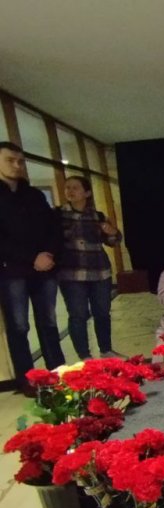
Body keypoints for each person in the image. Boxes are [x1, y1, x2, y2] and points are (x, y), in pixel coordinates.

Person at [0, 141, 65, 389]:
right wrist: (31, 258)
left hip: (45, 269)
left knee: (49, 322)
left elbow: (53, 227)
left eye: (20, 161)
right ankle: (27, 380)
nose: (17, 165)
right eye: (10, 160)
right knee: (18, 326)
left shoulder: (34, 195)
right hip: (12, 271)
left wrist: (49, 254)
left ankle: (58, 373)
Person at [57, 175, 122, 360]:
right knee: (78, 315)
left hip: (99, 271)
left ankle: (106, 350)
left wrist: (112, 232)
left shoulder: (97, 216)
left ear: (86, 193)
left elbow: (114, 241)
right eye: (68, 187)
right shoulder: (58, 215)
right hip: (71, 273)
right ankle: (84, 356)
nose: (70, 191)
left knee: (102, 312)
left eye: (75, 187)